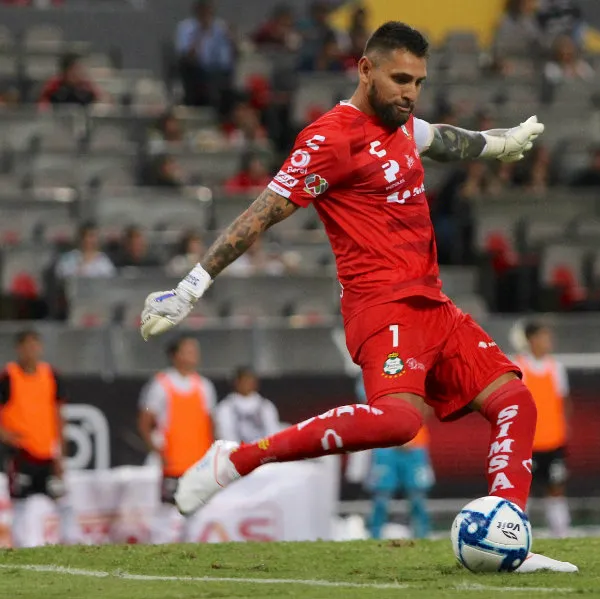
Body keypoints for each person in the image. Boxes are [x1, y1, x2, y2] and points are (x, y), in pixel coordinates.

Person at [139, 21, 574, 573]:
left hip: (434, 305)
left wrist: (499, 144)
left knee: (517, 400)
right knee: (397, 424)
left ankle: (507, 535)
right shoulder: (330, 139)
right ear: (365, 70)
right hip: (381, 307)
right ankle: (238, 460)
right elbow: (262, 213)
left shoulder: (403, 125)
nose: (410, 92)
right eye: (399, 79)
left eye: (418, 81)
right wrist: (191, 286)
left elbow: (442, 138)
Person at [137, 335, 216, 544]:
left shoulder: (204, 386)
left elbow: (209, 423)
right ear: (175, 355)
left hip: (198, 462)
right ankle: (159, 553)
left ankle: (191, 554)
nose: (194, 355)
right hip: (173, 461)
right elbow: (145, 421)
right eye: (188, 350)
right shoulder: (162, 385)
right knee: (166, 512)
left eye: (195, 350)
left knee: (197, 512)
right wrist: (156, 450)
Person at [0, 330, 66, 548]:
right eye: (26, 346)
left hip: (46, 451)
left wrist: (60, 452)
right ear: (18, 349)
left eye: (35, 345)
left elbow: (58, 414)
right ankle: (21, 548)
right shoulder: (8, 377)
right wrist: (4, 434)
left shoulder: (50, 375)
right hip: (20, 452)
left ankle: (61, 544)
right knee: (21, 503)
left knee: (59, 501)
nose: (31, 350)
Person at [355, 376, 433, 540]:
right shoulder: (376, 371)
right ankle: (374, 537)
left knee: (417, 496)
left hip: (414, 444)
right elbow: (368, 404)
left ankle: (423, 536)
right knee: (381, 495)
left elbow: (430, 404)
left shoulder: (418, 369)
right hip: (386, 445)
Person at [513, 322, 572, 538]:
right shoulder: (518, 367)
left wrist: (564, 428)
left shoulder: (557, 368)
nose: (549, 342)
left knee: (556, 489)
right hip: (528, 443)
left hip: (554, 442)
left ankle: (561, 534)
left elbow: (564, 401)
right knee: (523, 491)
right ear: (531, 339)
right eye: (544, 337)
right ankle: (518, 536)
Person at [215, 367, 281, 444]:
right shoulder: (225, 408)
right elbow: (225, 435)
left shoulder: (266, 406)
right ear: (236, 382)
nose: (247, 383)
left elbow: (273, 433)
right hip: (236, 453)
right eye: (244, 380)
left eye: (250, 380)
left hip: (263, 453)